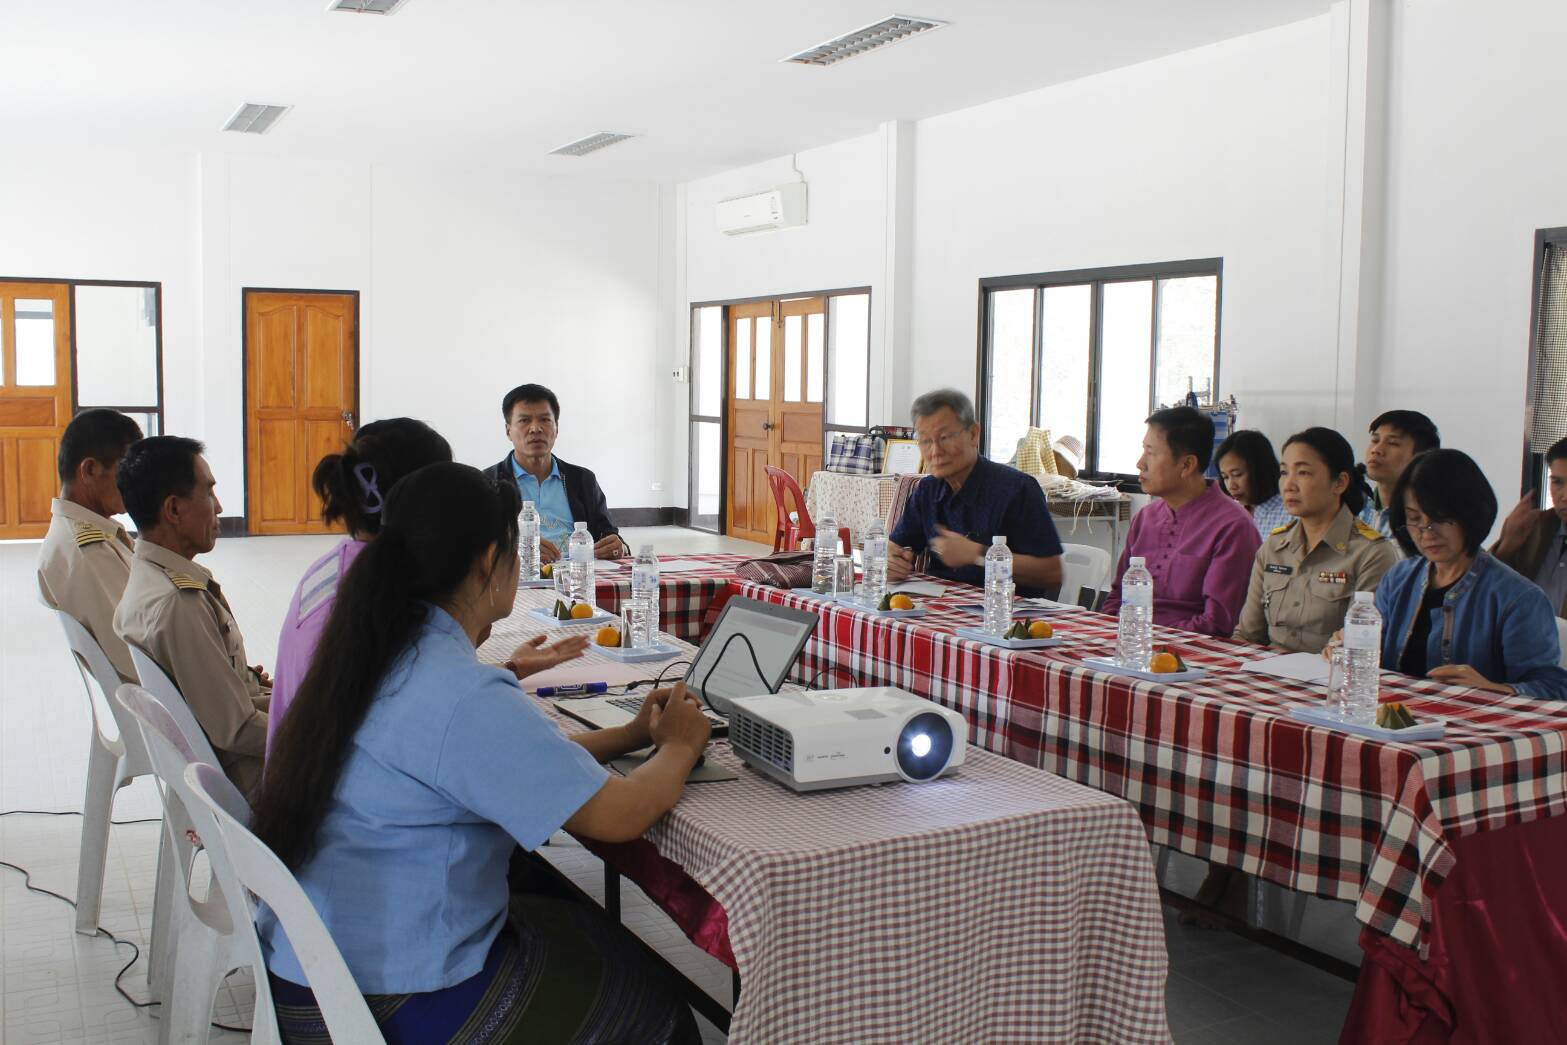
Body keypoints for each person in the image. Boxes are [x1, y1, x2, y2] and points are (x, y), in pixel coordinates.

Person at [252, 463, 706, 1043]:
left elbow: (506, 764)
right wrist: (680, 745)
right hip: (383, 999)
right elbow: (620, 816)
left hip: (311, 971)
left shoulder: (371, 652)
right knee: (657, 1010)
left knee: (572, 919)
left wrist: (631, 734)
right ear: (490, 562)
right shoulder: (458, 689)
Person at [266, 419, 593, 761]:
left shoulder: (335, 567)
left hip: (300, 782)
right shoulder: (394, 589)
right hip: (342, 793)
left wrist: (509, 669)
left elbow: (400, 688)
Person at [113, 437, 271, 800]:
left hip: (235, 761)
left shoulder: (150, 579)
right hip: (255, 781)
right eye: (209, 493)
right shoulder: (178, 604)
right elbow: (237, 730)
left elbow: (228, 705)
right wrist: (324, 733)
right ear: (174, 509)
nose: (219, 507)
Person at [1375, 449, 1567, 698]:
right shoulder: (1398, 579)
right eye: (1414, 518)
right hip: (1397, 719)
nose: (1427, 531)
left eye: (1441, 518)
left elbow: (1553, 688)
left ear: (1470, 513)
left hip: (1478, 729)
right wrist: (1349, 644)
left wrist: (1495, 690)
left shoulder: (1519, 598)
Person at [886, 388, 1064, 597]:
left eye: (944, 437)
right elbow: (894, 547)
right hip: (941, 609)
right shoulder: (928, 490)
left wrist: (978, 555)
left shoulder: (1017, 489)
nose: (934, 451)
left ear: (973, 434)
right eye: (925, 441)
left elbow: (1052, 574)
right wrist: (892, 562)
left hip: (1007, 615)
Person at [1234, 428, 1397, 653]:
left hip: (1328, 675)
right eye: (1284, 473)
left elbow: (1360, 644)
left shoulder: (1371, 553)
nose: (1288, 485)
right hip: (1268, 672)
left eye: (1303, 473)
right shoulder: (1274, 547)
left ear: (1339, 482)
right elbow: (1248, 634)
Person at [1102, 407, 1260, 637]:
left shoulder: (1233, 526)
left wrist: (1145, 637)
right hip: (1132, 645)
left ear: (1187, 465)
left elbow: (1217, 623)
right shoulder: (1146, 518)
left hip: (1190, 655)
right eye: (1142, 450)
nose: (1140, 463)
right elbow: (1116, 598)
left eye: (1151, 452)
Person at [37, 409, 144, 683]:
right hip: (175, 712)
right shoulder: (87, 553)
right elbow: (139, 659)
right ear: (89, 470)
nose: (133, 483)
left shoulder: (91, 533)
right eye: (126, 471)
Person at [482, 383, 626, 562]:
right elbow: (475, 546)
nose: (536, 428)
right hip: (516, 579)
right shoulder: (488, 483)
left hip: (577, 578)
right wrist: (517, 550)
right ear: (508, 430)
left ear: (556, 428)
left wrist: (618, 546)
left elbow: (609, 535)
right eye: (524, 420)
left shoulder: (582, 480)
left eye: (545, 419)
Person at [1492, 435, 1567, 619]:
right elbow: (1483, 591)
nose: (1564, 496)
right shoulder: (1533, 528)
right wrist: (1506, 546)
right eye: (1557, 482)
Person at [1361, 409, 1440, 537]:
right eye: (1375, 440)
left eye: (1393, 443)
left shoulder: (1429, 523)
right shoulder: (1359, 511)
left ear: (1421, 457)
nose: (1376, 450)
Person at [1215, 429, 1290, 539]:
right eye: (1225, 477)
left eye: (1237, 474)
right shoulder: (1229, 513)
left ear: (1260, 470)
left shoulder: (1290, 514)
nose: (1231, 486)